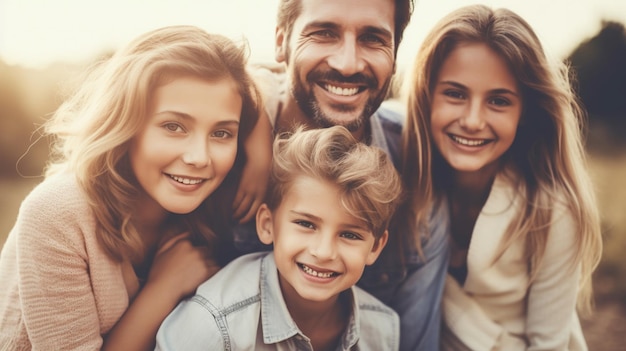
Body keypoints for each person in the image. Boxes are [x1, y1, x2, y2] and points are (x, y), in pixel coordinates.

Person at [0, 25, 262, 350]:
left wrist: (262, 144)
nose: (199, 157)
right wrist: (162, 289)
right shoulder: (56, 213)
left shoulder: (212, 205)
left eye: (222, 133)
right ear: (127, 123)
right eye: (173, 126)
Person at [240, 1, 451, 349]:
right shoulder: (219, 146)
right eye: (324, 33)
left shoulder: (416, 168)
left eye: (373, 38)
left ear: (396, 54)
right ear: (281, 42)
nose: (348, 63)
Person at [401, 5, 603, 350]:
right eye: (455, 93)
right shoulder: (400, 166)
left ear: (525, 112)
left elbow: (548, 343)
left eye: (498, 101)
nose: (473, 120)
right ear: (426, 95)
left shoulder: (551, 208)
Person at [156, 125, 403, 351]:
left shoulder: (382, 330)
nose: (324, 252)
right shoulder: (212, 325)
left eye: (349, 235)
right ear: (267, 225)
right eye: (306, 224)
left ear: (376, 247)